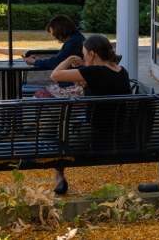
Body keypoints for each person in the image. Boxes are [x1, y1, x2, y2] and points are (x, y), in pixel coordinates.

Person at [48, 34, 130, 195]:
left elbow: (55, 75)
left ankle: (59, 175)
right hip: (120, 133)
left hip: (95, 136)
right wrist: (86, 84)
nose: (83, 57)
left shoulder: (94, 71)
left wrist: (70, 59)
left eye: (84, 54)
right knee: (63, 125)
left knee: (55, 126)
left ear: (92, 54)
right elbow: (104, 89)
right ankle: (59, 174)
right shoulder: (122, 71)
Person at [24, 15, 85, 98]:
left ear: (61, 31)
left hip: (72, 85)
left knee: (37, 98)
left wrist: (35, 62)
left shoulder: (73, 43)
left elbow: (57, 62)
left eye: (55, 34)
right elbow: (61, 58)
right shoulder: (77, 39)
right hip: (75, 84)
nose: (54, 37)